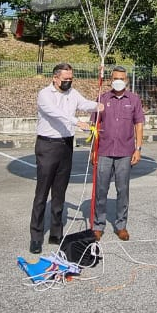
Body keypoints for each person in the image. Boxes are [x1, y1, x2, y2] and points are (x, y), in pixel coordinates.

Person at [29, 62, 104, 254]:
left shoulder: (72, 93)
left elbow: (85, 104)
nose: (68, 83)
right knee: (42, 192)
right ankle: (36, 236)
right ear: (55, 78)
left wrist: (100, 104)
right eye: (65, 79)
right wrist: (76, 122)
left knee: (60, 192)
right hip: (47, 145)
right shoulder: (45, 95)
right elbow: (56, 114)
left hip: (66, 145)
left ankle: (56, 232)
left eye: (70, 79)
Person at [90, 67, 144, 241]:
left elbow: (139, 124)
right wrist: (93, 150)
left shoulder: (134, 99)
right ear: (110, 79)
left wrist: (138, 148)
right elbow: (94, 125)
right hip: (104, 151)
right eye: (115, 78)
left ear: (126, 80)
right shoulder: (102, 98)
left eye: (121, 78)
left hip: (125, 151)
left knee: (123, 190)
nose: (118, 80)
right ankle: (98, 224)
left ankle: (121, 225)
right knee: (101, 189)